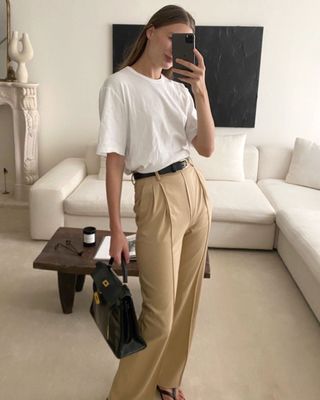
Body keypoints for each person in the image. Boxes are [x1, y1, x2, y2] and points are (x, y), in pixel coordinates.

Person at [97, 4, 215, 400]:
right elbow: (114, 161)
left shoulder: (179, 90)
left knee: (187, 300)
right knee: (160, 313)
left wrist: (201, 90)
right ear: (151, 32)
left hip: (194, 187)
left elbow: (207, 147)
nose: (174, 49)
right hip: (155, 191)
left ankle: (168, 381)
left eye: (184, 42)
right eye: (172, 37)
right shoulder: (120, 86)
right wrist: (115, 228)